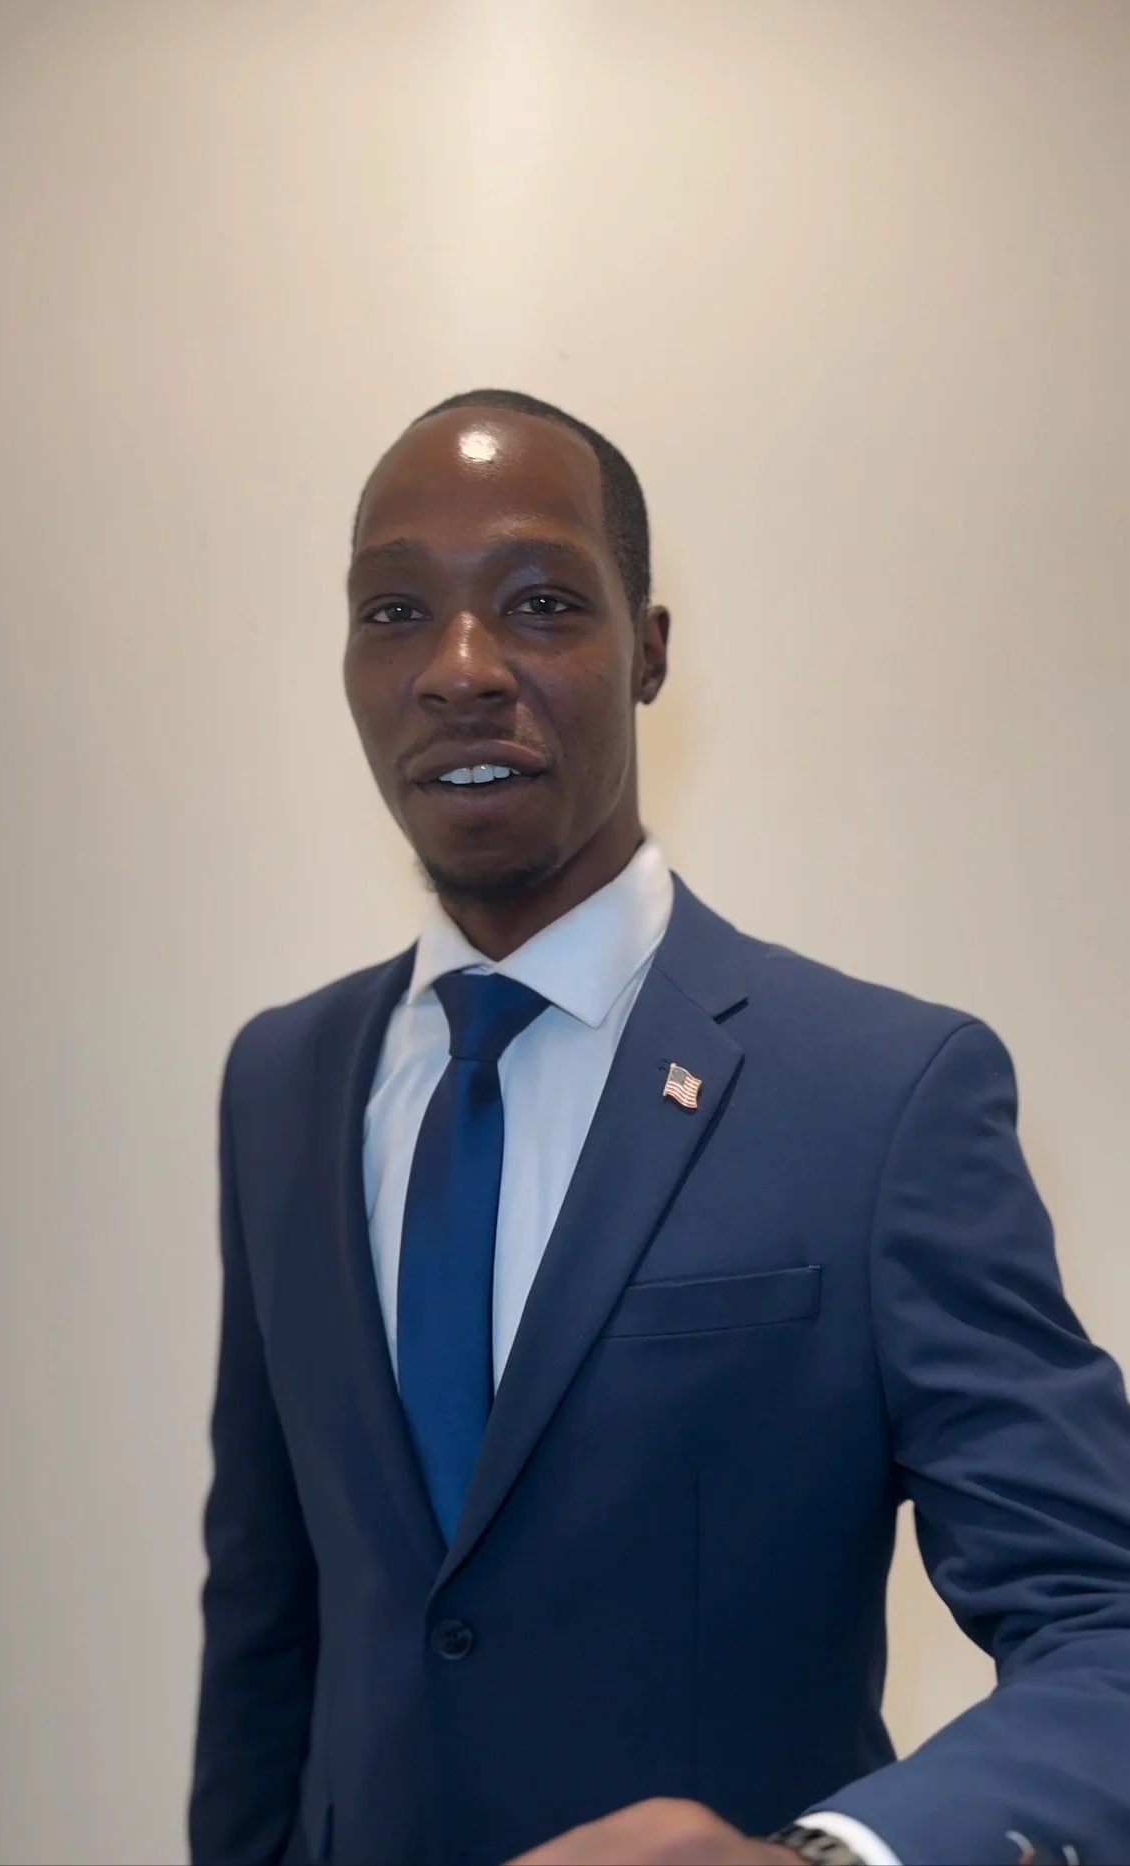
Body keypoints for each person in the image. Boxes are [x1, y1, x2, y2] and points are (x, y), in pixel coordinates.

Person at [188, 389, 1130, 1866]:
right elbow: (267, 1624)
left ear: (649, 651)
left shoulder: (882, 1097)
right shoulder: (281, 1082)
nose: (458, 668)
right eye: (394, 611)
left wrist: (818, 1862)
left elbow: (1103, 1625)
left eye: (540, 602)